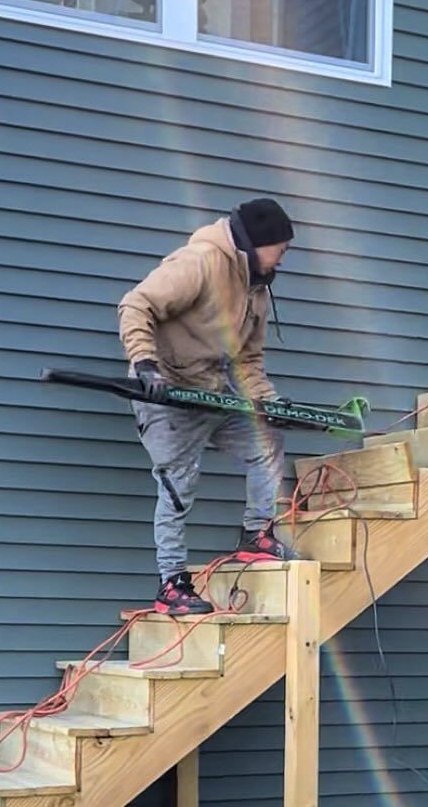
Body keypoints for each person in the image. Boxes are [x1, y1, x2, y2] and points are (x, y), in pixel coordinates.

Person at [118, 198, 296, 616]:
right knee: (178, 488)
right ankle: (171, 583)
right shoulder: (199, 262)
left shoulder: (257, 288)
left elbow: (247, 361)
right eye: (281, 249)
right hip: (163, 395)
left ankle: (256, 534)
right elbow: (135, 305)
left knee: (266, 442)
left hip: (210, 392)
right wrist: (145, 365)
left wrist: (267, 403)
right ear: (258, 242)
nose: (283, 259)